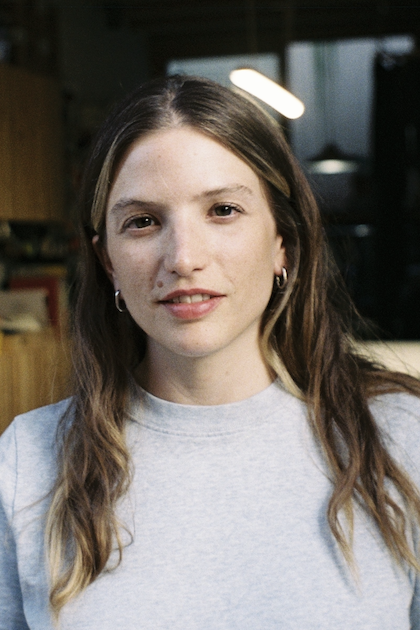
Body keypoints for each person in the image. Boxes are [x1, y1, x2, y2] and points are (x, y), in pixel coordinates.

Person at [1, 75, 420, 630]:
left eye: (222, 210)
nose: (184, 257)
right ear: (108, 263)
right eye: (143, 222)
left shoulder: (401, 437)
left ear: (283, 242)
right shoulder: (27, 461)